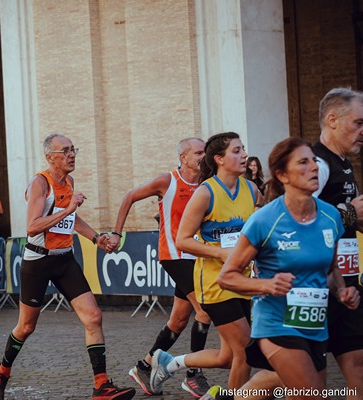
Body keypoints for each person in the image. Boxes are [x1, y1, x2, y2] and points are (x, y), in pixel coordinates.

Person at [0, 133, 135, 400]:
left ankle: (101, 385)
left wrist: (96, 239)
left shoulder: (69, 181)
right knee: (26, 327)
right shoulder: (39, 184)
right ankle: (1, 372)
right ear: (50, 157)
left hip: (64, 259)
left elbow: (72, 218)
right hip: (38, 261)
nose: (71, 154)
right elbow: (32, 226)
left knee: (93, 317)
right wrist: (67, 210)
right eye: (65, 150)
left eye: (73, 149)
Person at [215, 137, 360, 399]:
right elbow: (227, 277)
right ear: (282, 174)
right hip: (276, 325)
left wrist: (342, 291)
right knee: (313, 395)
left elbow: (331, 269)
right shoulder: (265, 220)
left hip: (315, 325)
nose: (313, 168)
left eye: (314, 161)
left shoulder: (330, 217)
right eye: (303, 163)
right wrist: (266, 285)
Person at [151, 132, 263, 393]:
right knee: (245, 351)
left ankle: (169, 364)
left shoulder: (252, 189)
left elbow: (256, 233)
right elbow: (183, 240)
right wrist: (221, 254)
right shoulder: (205, 193)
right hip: (215, 285)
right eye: (237, 150)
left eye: (243, 149)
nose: (244, 154)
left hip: (243, 281)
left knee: (227, 357)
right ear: (219, 159)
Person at [106, 137, 212, 397]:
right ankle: (193, 374)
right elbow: (130, 196)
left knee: (178, 319)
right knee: (205, 310)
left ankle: (144, 366)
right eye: (198, 152)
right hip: (175, 255)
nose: (202, 156)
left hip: (198, 257)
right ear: (183, 158)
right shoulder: (167, 181)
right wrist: (116, 233)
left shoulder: (207, 184)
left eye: (204, 152)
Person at [312, 87, 363, 398]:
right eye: (358, 123)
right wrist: (348, 212)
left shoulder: (344, 163)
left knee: (357, 367)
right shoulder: (316, 164)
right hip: (316, 288)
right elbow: (298, 221)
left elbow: (346, 220)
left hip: (346, 287)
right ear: (332, 119)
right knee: (297, 380)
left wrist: (356, 219)